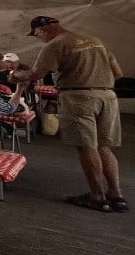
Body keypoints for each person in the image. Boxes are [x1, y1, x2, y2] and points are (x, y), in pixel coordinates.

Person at [13, 16, 126, 212]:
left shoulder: (55, 44)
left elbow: (35, 74)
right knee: (104, 147)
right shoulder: (95, 41)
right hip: (107, 96)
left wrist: (15, 75)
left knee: (86, 146)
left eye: (37, 34)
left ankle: (97, 196)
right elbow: (118, 73)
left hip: (78, 97)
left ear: (44, 30)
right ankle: (116, 194)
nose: (39, 38)